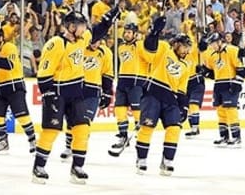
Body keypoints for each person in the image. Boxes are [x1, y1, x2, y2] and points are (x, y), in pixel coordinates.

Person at [32, 9, 117, 185]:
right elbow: (44, 72)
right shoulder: (56, 44)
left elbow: (97, 31)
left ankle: (77, 167)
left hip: (76, 93)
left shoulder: (82, 39)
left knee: (82, 129)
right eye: (81, 26)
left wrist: (109, 19)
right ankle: (38, 167)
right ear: (71, 27)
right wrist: (48, 95)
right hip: (57, 93)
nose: (85, 29)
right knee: (51, 130)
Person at [134, 19, 189, 176]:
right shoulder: (165, 49)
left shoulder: (186, 66)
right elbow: (150, 47)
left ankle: (167, 160)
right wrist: (155, 32)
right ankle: (142, 159)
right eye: (184, 46)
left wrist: (184, 107)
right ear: (177, 44)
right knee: (147, 127)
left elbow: (182, 90)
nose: (186, 50)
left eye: (188, 48)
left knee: (174, 128)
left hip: (170, 98)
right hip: (153, 94)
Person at [60, 37, 114, 160]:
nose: (95, 44)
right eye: (93, 41)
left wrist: (107, 93)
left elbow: (107, 73)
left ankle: (79, 147)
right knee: (72, 120)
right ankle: (69, 146)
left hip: (93, 92)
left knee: (85, 122)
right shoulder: (80, 48)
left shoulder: (105, 52)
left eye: (98, 41)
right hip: (77, 88)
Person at [0, 28, 37, 153]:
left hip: (15, 86)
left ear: (1, 38)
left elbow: (9, 65)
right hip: (1, 88)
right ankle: (3, 140)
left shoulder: (9, 47)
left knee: (21, 115)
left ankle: (32, 140)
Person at [109, 22, 149, 157]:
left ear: (135, 34)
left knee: (137, 109)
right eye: (125, 32)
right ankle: (123, 135)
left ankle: (141, 135)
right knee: (119, 109)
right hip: (122, 80)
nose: (126, 34)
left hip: (137, 81)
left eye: (129, 32)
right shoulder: (121, 47)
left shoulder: (140, 45)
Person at [201, 31, 245, 146]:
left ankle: (236, 137)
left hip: (230, 84)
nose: (211, 46)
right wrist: (204, 72)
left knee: (231, 110)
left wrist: (237, 83)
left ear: (219, 42)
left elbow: (241, 68)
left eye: (213, 44)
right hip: (218, 85)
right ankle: (224, 136)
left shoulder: (232, 50)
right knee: (220, 111)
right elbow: (212, 73)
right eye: (210, 44)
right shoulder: (212, 55)